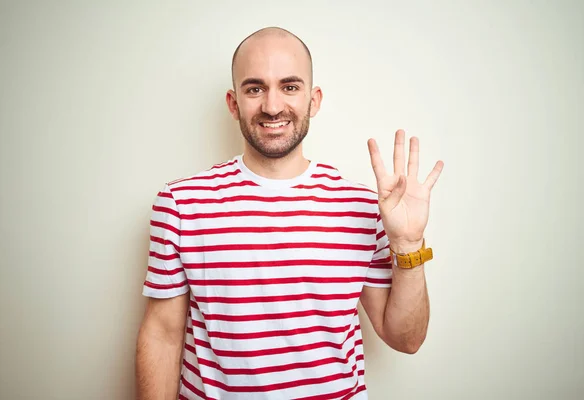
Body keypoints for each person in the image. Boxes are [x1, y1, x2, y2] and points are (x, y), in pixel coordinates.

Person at [135, 26, 444, 400]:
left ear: (314, 100)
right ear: (233, 104)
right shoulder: (182, 203)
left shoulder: (364, 206)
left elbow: (405, 340)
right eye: (255, 88)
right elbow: (163, 336)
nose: (272, 106)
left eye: (290, 86)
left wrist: (408, 245)